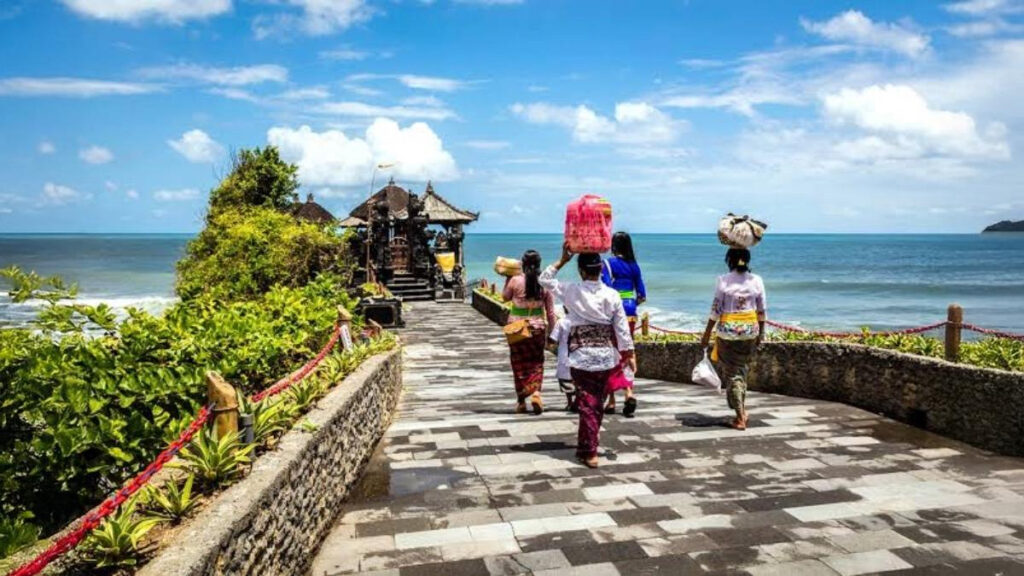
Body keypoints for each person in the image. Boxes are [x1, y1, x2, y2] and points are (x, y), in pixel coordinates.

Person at [541, 243, 635, 468]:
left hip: (581, 356)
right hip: (604, 357)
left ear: (582, 271)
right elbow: (621, 328)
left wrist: (562, 260)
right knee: (596, 403)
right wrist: (628, 353)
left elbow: (544, 279)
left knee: (587, 402)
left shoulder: (572, 290)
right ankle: (588, 446)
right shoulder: (612, 295)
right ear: (601, 269)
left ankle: (589, 450)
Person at [699, 247, 766, 431]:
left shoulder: (723, 281)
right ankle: (742, 410)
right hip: (750, 331)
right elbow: (761, 311)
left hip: (728, 333)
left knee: (733, 373)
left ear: (730, 260)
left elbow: (715, 311)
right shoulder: (757, 281)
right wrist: (761, 333)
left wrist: (706, 335)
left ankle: (739, 417)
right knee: (741, 370)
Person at [503, 250, 557, 414]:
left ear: (523, 264)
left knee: (518, 364)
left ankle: (521, 402)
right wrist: (552, 335)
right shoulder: (545, 284)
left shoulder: (515, 280)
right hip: (537, 328)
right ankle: (536, 393)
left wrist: (507, 279)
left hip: (517, 328)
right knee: (537, 363)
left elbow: (505, 297)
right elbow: (551, 313)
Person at [601, 231, 646, 417]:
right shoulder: (634, 266)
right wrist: (631, 302)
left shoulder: (607, 264)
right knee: (627, 352)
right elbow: (641, 295)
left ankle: (611, 400)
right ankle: (629, 392)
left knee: (611, 354)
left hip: (613, 313)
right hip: (631, 313)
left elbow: (604, 289)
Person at [548, 309, 577, 412]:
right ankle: (578, 400)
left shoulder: (561, 322)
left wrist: (549, 344)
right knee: (579, 380)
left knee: (565, 380)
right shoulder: (583, 320)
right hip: (580, 355)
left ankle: (569, 402)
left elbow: (553, 338)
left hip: (564, 355)